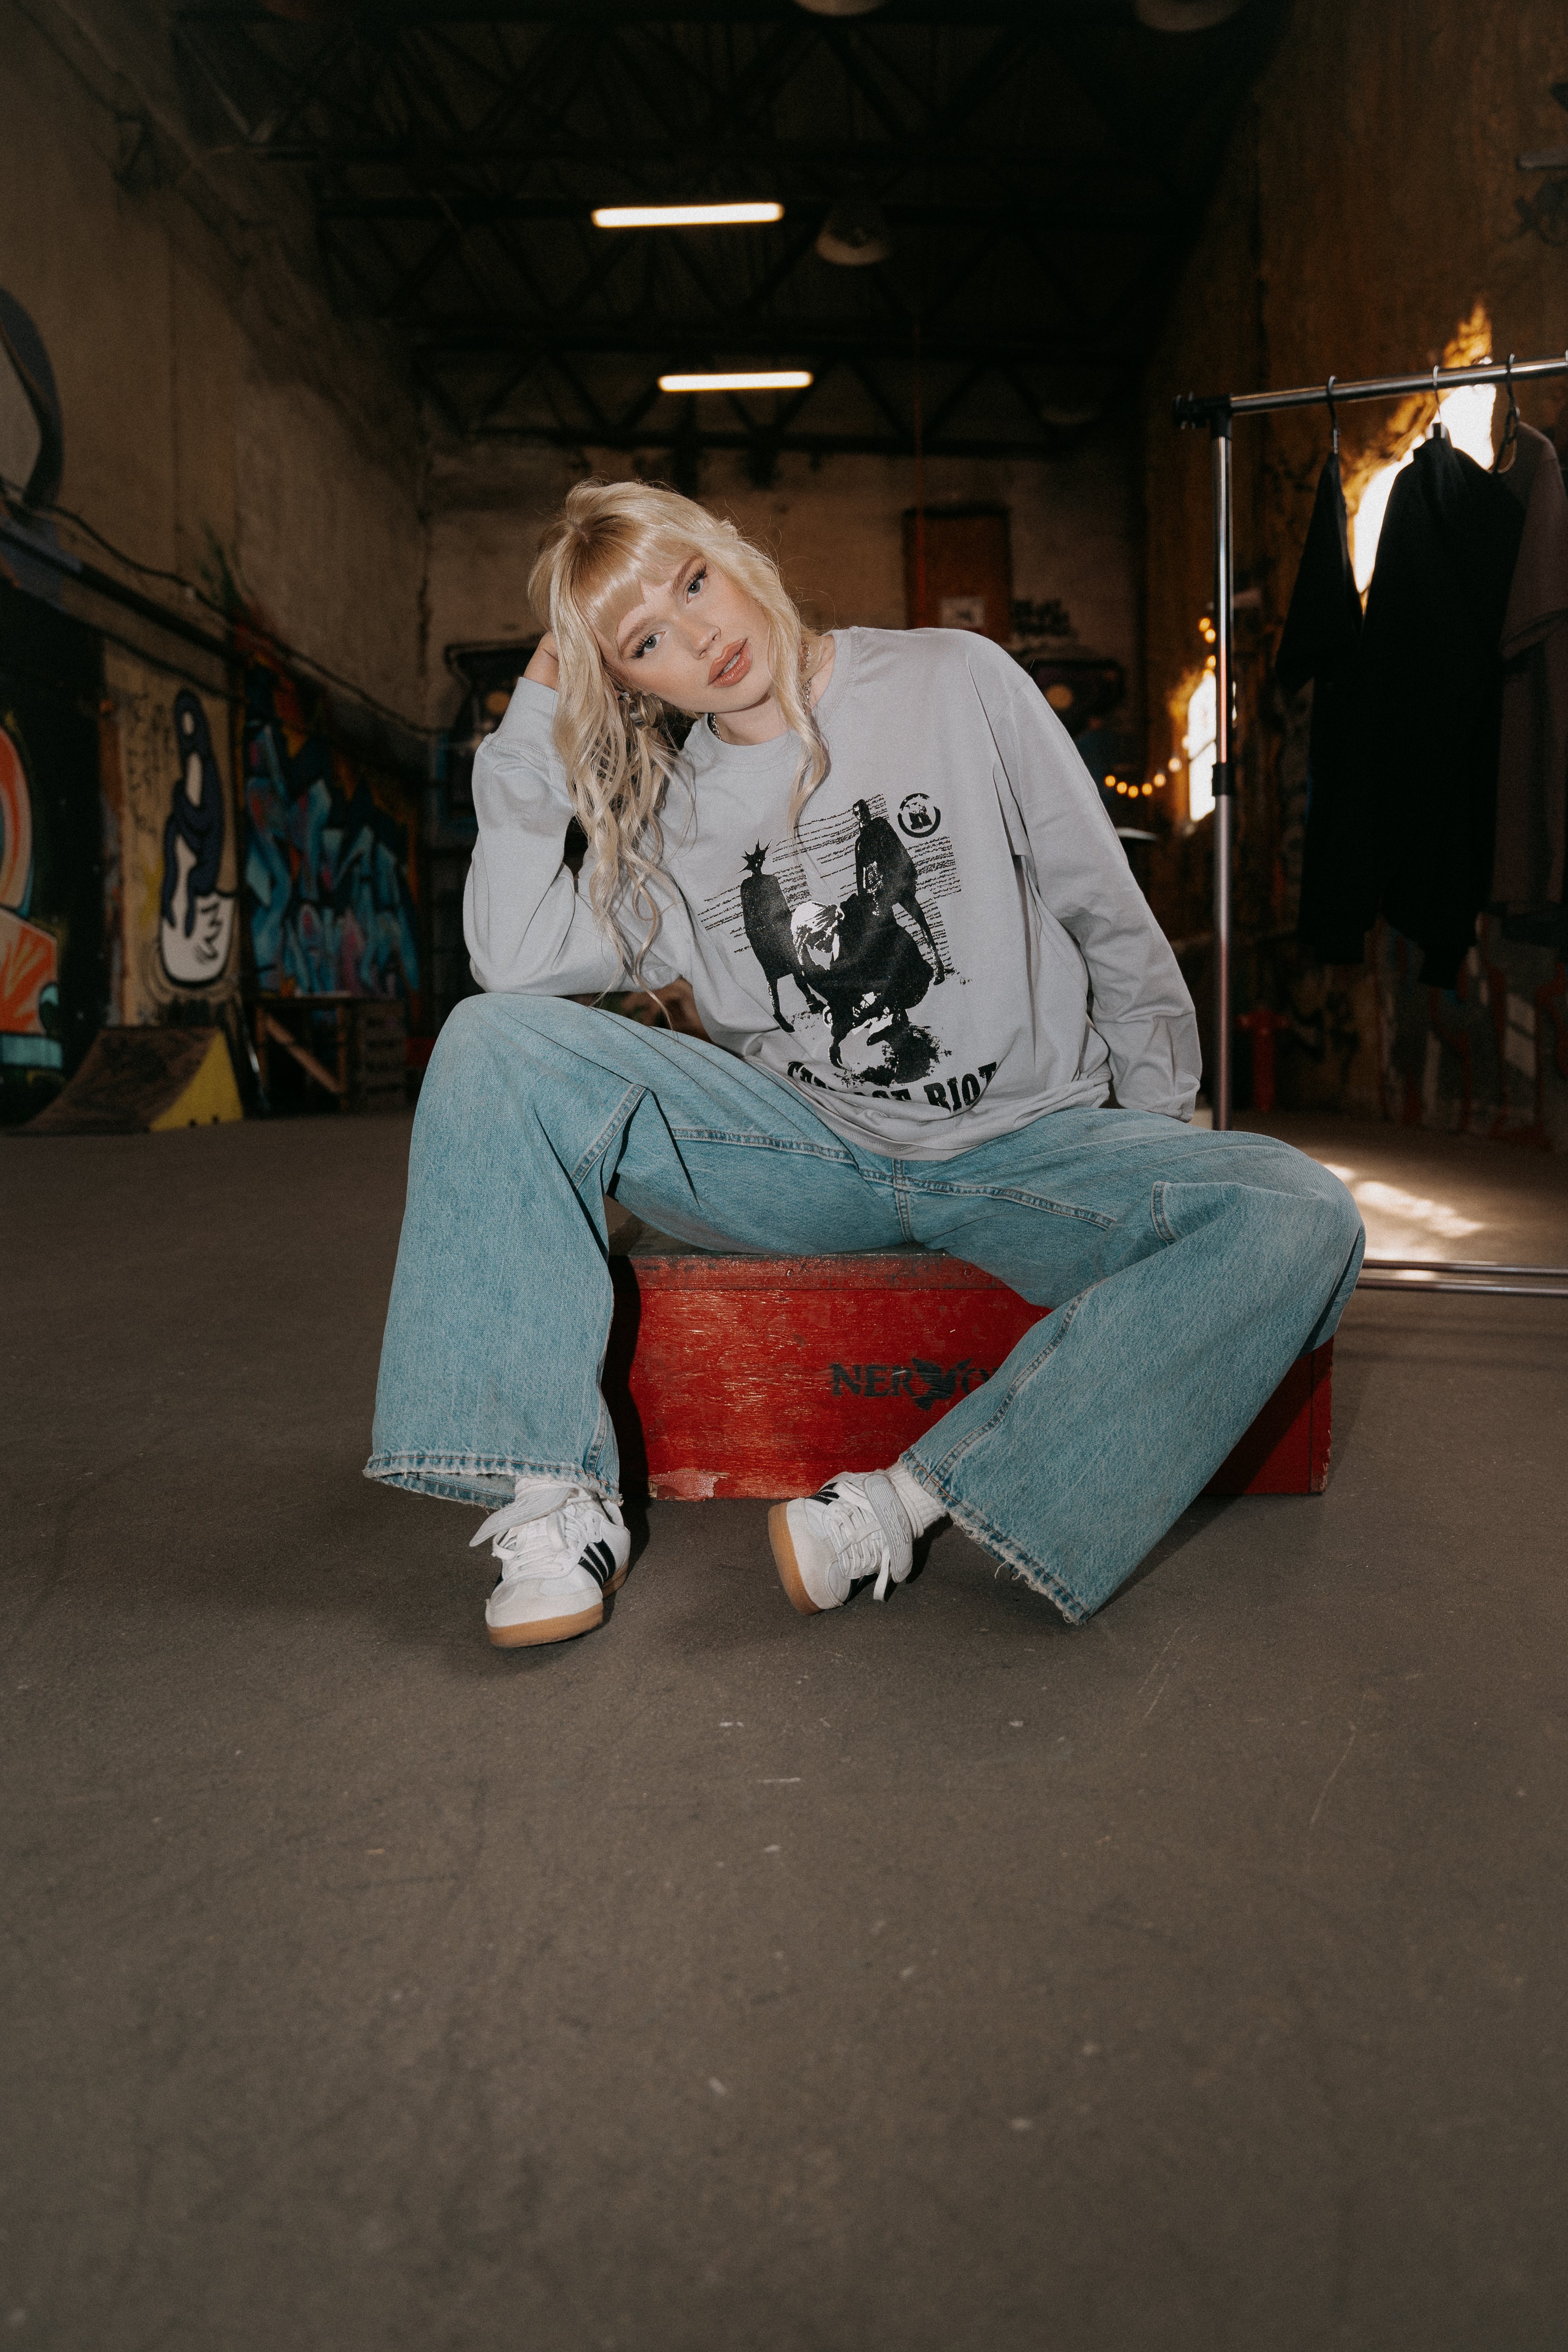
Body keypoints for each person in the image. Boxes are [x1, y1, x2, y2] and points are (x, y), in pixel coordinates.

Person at [367, 479, 1363, 1648]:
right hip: (809, 1158)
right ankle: (554, 1499)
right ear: (632, 686)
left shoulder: (955, 679)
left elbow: (1103, 906)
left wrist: (1151, 1135)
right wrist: (532, 722)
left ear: (732, 551)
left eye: (694, 583)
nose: (700, 636)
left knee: (1300, 1212)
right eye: (645, 643)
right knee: (493, 1042)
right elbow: (514, 956)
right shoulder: (677, 816)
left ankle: (904, 1502)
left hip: (1030, 1145)